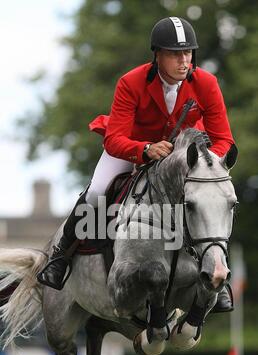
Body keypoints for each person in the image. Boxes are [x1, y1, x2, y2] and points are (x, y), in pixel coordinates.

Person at [37, 16, 234, 313]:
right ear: (157, 55)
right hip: (131, 148)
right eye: (175, 54)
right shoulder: (131, 82)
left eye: (188, 53)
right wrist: (144, 150)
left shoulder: (206, 82)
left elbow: (224, 140)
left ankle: (217, 280)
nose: (184, 61)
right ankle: (61, 257)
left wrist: (206, 165)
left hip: (183, 157)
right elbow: (114, 139)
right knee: (97, 192)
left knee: (209, 200)